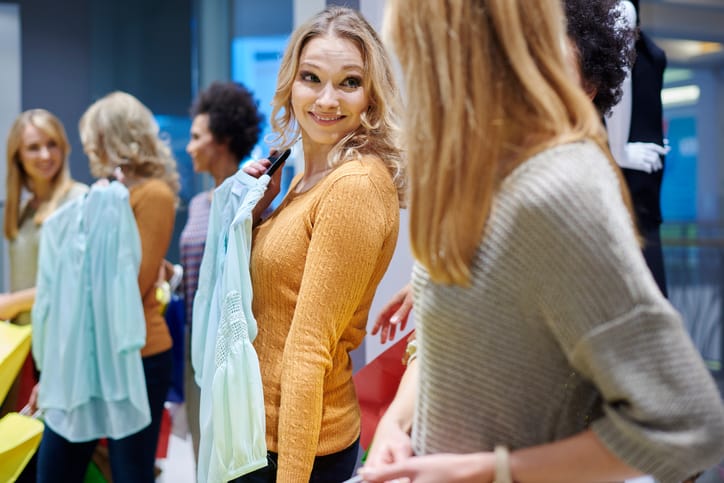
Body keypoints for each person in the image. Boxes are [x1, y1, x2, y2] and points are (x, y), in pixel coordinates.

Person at [359, 1, 724, 482]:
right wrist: (393, 427)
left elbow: (687, 423)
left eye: (417, 56)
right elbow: (446, 355)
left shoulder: (557, 188)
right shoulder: (475, 173)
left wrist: (494, 471)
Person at [370, 0, 637, 345]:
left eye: (554, 72)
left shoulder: (574, 184)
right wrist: (429, 284)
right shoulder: (496, 161)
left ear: (588, 88)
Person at [236, 6, 405, 482]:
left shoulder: (353, 186)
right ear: (291, 81)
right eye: (312, 77)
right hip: (262, 432)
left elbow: (308, 349)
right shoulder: (305, 175)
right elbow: (275, 302)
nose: (327, 99)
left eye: (349, 82)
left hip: (298, 448)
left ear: (370, 95)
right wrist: (255, 217)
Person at [34, 91, 180, 483]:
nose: (86, 148)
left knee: (130, 471)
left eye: (91, 138)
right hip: (92, 354)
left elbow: (130, 284)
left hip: (138, 352)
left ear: (110, 137)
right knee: (57, 464)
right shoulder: (102, 197)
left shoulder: (153, 195)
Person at [182, 81, 263, 464]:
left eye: (197, 137)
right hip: (193, 334)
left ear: (222, 140)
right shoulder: (200, 203)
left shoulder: (250, 202)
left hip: (225, 338)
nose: (189, 146)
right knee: (200, 443)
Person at [0, 109, 88, 417]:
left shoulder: (79, 199)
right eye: (34, 147)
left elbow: (75, 282)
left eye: (52, 144)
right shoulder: (20, 210)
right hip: (21, 344)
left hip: (61, 347)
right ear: (18, 156)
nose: (45, 154)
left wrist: (11, 301)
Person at [606, 0, 670, 297]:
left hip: (636, 179)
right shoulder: (620, 8)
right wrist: (621, 150)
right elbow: (619, 78)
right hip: (630, 183)